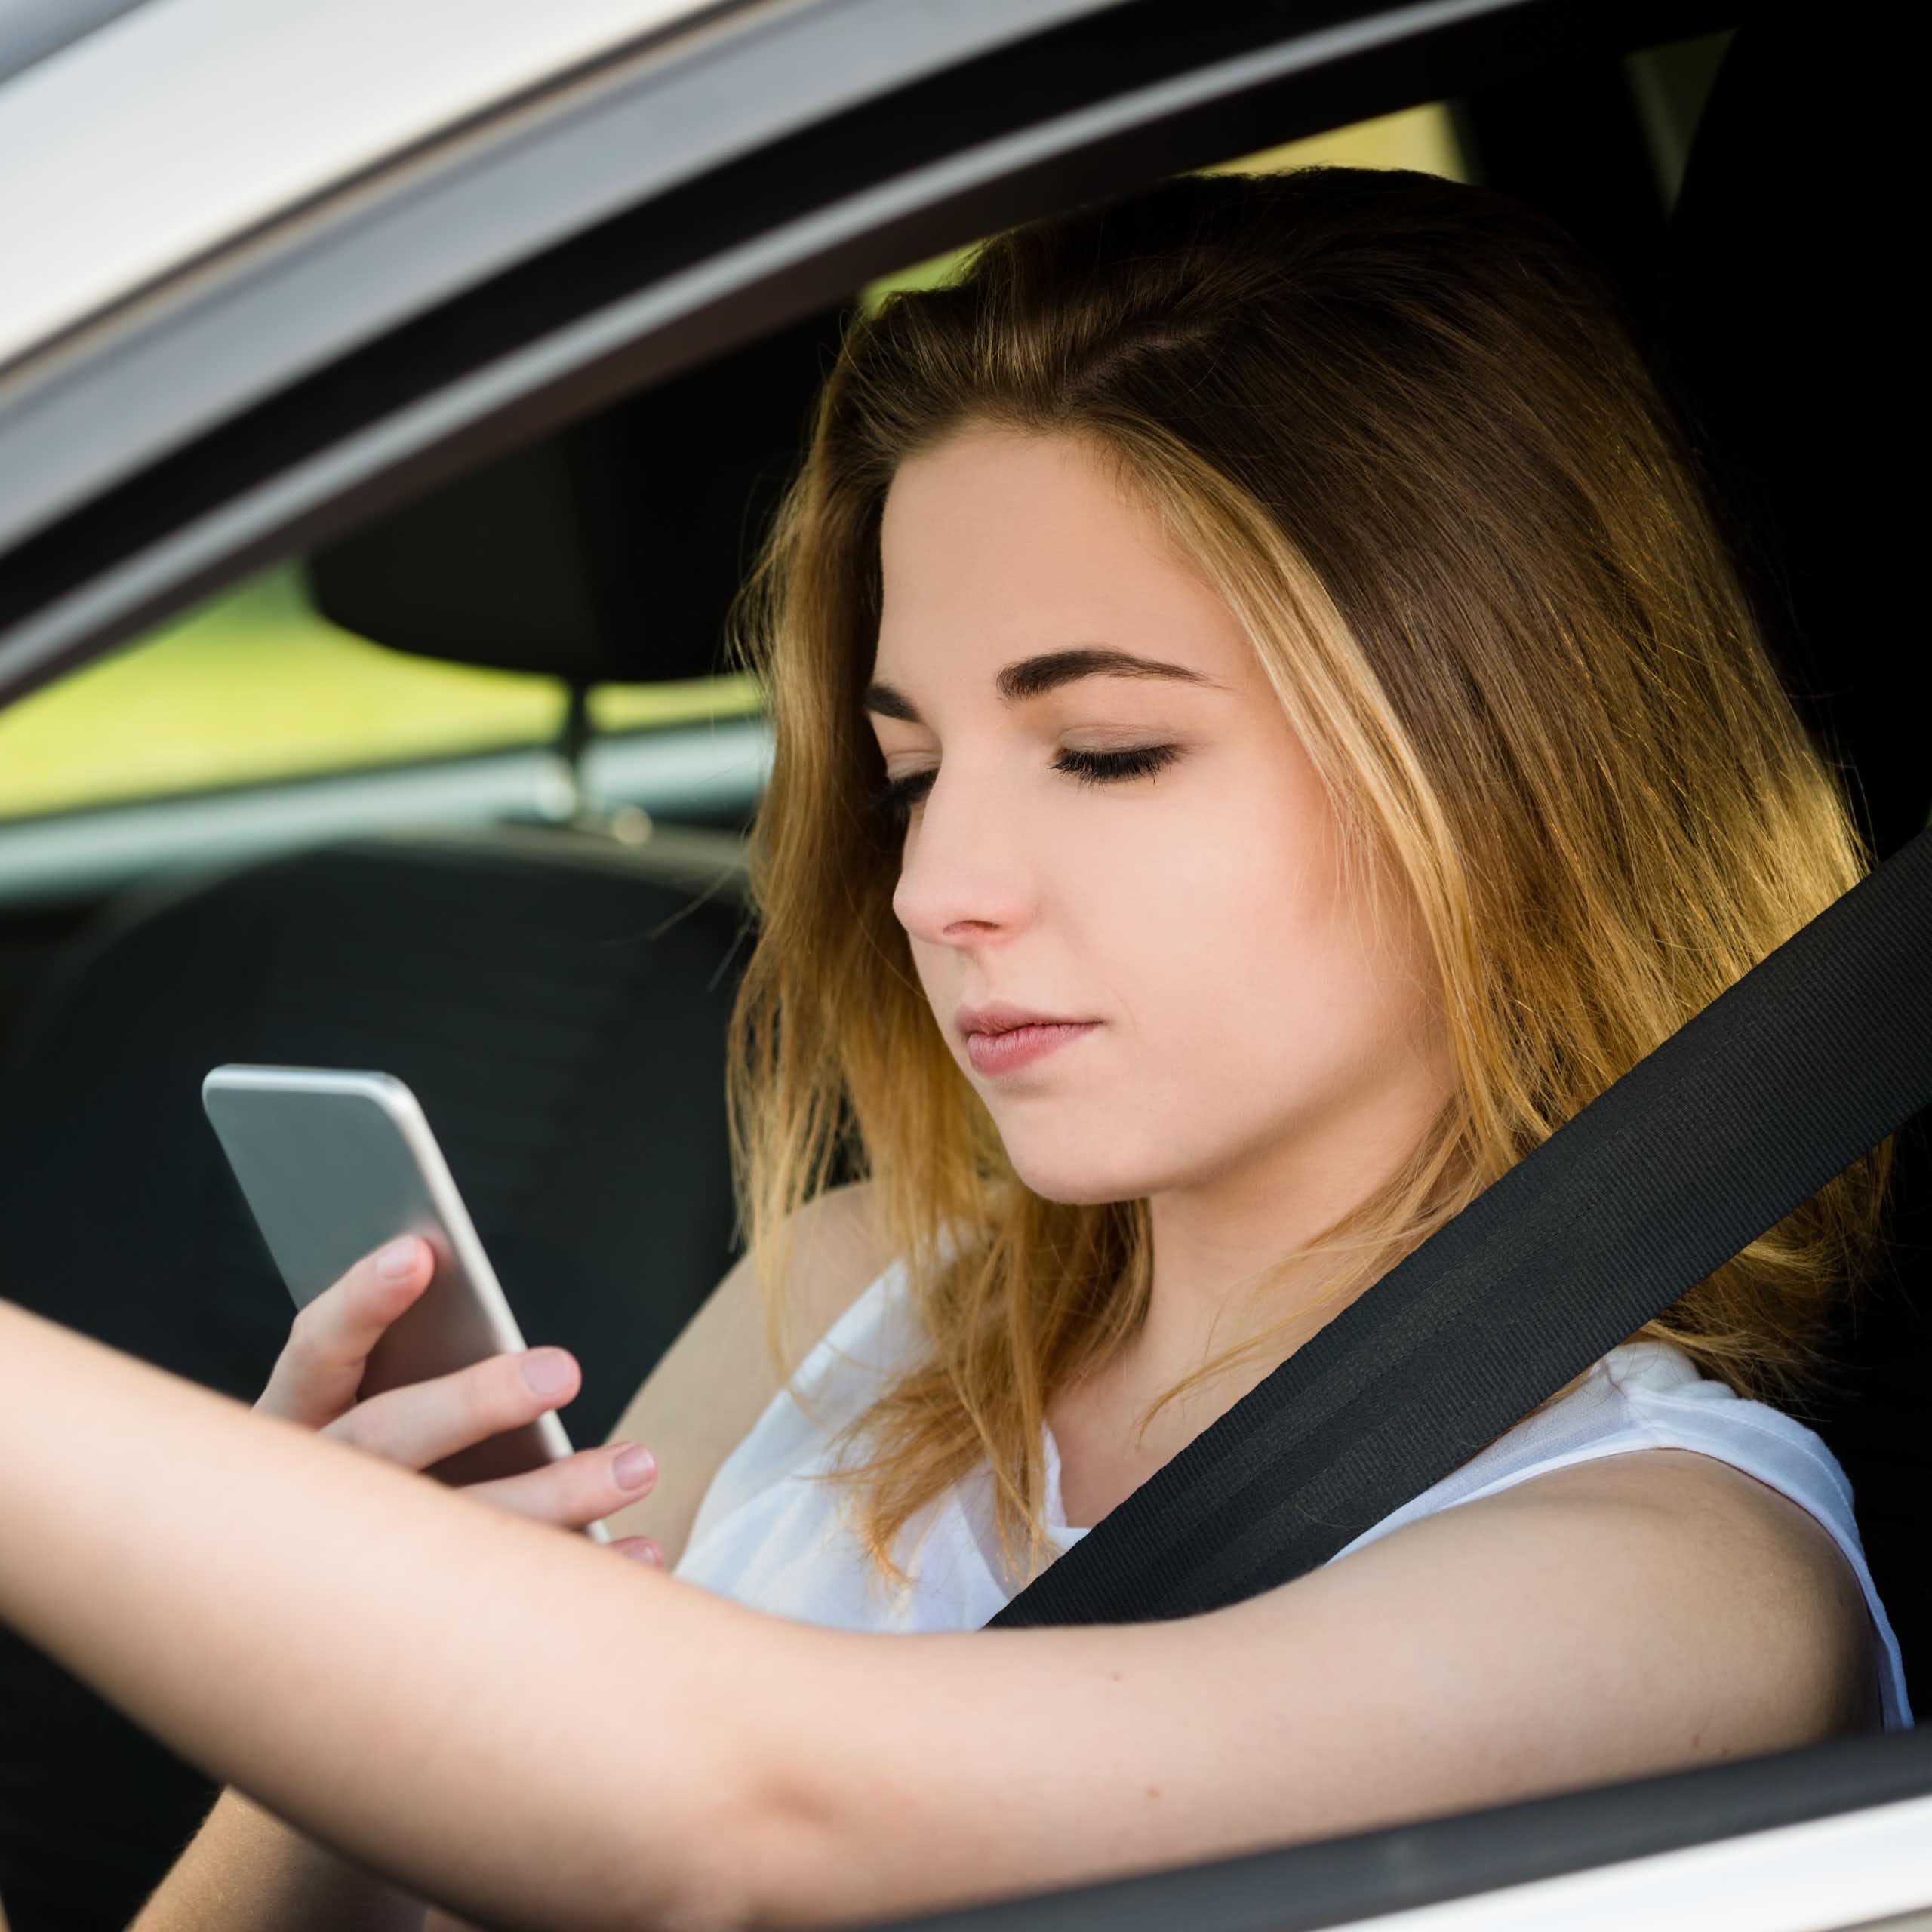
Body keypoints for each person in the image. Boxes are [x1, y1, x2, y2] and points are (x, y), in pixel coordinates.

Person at [0, 165, 1911, 1932]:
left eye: (1105, 750)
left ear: (1510, 771)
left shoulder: (1679, 1580)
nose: (932, 887)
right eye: (910, 768)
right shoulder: (844, 1290)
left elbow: (745, 1828)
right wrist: (349, 1685)